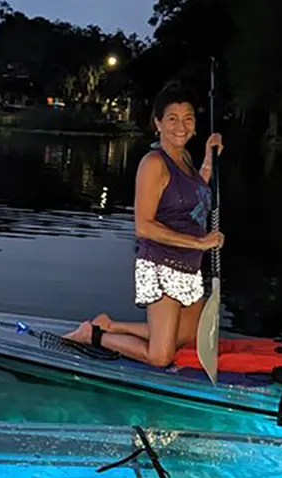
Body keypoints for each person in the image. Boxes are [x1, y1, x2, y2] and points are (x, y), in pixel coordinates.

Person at [64, 82, 224, 367]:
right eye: (172, 118)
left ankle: (110, 325)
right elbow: (144, 227)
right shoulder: (154, 163)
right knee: (161, 356)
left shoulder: (185, 159)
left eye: (188, 118)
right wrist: (200, 242)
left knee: (185, 339)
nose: (181, 126)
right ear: (158, 123)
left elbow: (197, 191)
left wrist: (209, 158)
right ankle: (93, 335)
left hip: (190, 263)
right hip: (162, 264)